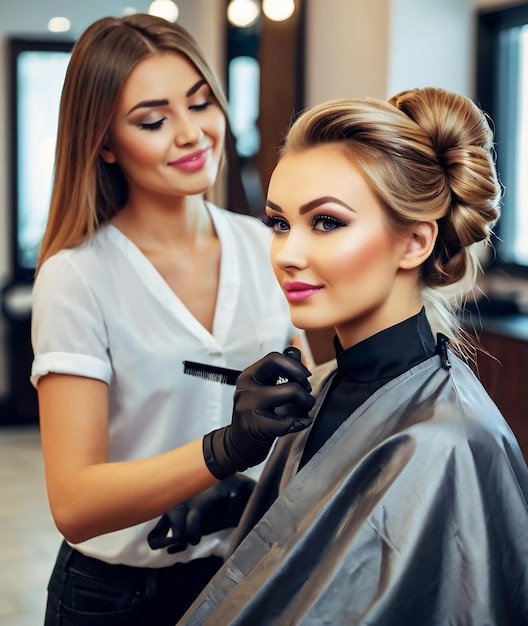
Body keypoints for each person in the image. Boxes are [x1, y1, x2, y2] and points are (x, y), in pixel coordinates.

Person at [180, 87, 528, 625]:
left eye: (326, 222)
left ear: (414, 242)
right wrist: (244, 499)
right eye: (279, 223)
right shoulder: (320, 387)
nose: (288, 254)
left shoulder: (450, 439)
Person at [30, 13, 315, 626]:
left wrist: (248, 490)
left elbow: (300, 414)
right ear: (105, 143)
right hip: (114, 598)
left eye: (201, 103)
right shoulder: (77, 276)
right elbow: (75, 503)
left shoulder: (269, 247)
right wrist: (224, 450)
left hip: (243, 576)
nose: (192, 134)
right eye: (154, 121)